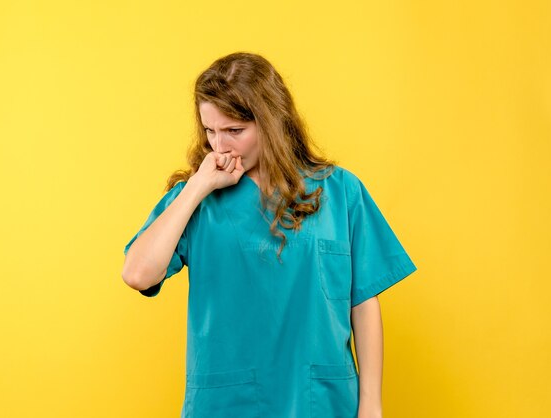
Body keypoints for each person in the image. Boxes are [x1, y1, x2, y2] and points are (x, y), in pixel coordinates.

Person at [121, 52, 418, 418]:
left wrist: (371, 403)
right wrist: (197, 186)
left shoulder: (340, 191)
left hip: (320, 401)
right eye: (210, 131)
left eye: (234, 131)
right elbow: (138, 274)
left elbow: (363, 301)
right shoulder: (195, 199)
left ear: (272, 121)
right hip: (227, 405)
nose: (220, 146)